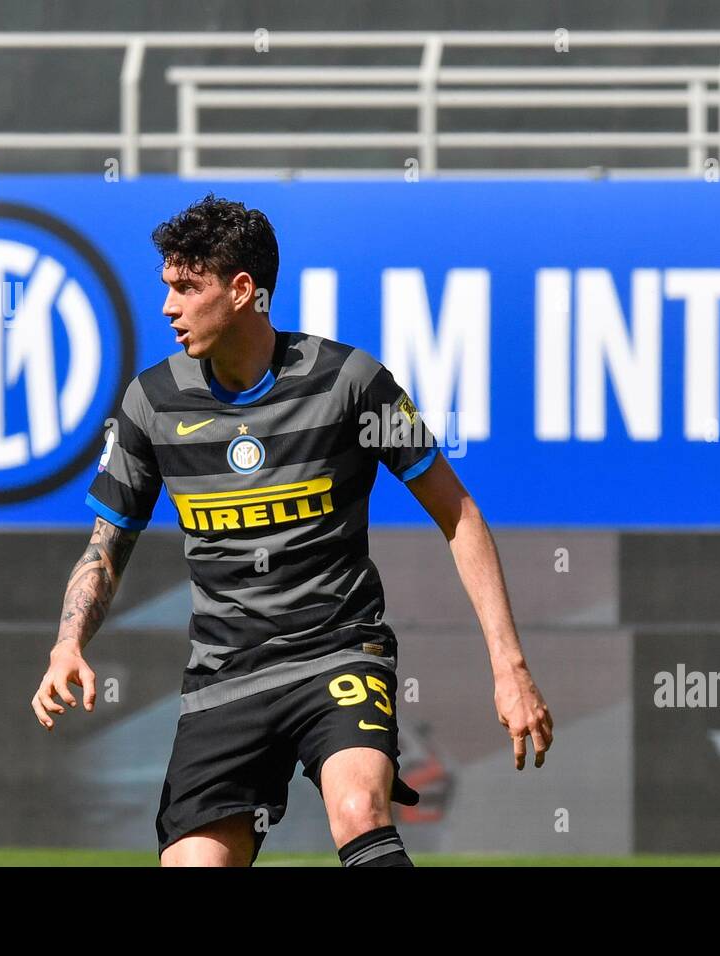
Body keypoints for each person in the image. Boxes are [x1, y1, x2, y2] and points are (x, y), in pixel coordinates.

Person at [31, 194, 553, 867]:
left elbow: (460, 515)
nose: (168, 308)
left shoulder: (352, 383)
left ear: (243, 290)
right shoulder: (151, 401)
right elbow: (108, 543)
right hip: (223, 678)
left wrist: (509, 669)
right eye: (167, 288)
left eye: (187, 288)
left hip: (337, 654)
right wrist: (67, 643)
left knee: (358, 810)